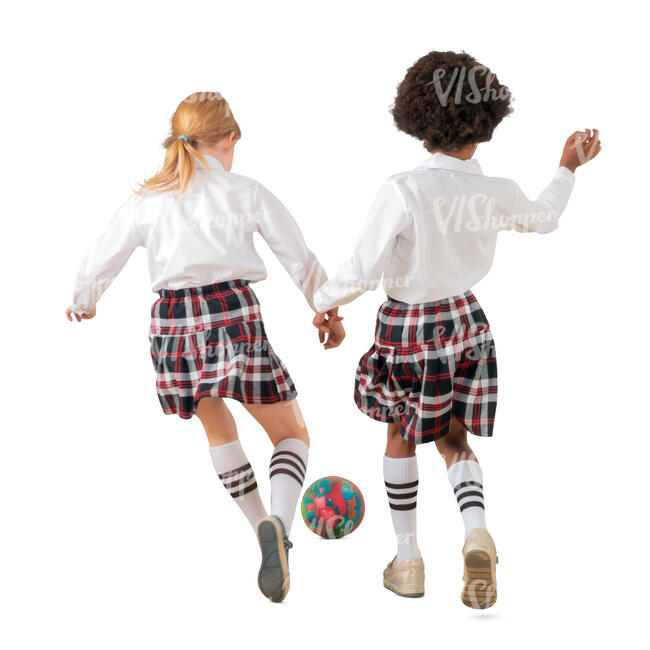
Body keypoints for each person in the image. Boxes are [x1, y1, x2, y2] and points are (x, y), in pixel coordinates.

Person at [312, 51, 600, 608]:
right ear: (487, 118)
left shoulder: (403, 189)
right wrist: (567, 167)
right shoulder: (494, 190)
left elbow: (362, 268)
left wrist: (324, 304)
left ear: (418, 120)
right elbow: (545, 217)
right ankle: (475, 530)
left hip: (408, 325)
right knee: (453, 436)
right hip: (466, 323)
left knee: (401, 431)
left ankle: (409, 558)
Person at [66, 91, 345, 603]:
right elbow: (297, 256)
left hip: (172, 324)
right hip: (231, 313)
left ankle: (258, 523)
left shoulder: (146, 201)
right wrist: (325, 309)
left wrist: (84, 299)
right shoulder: (245, 190)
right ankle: (280, 527)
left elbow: (102, 254)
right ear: (230, 138)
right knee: (291, 434)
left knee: (219, 430)